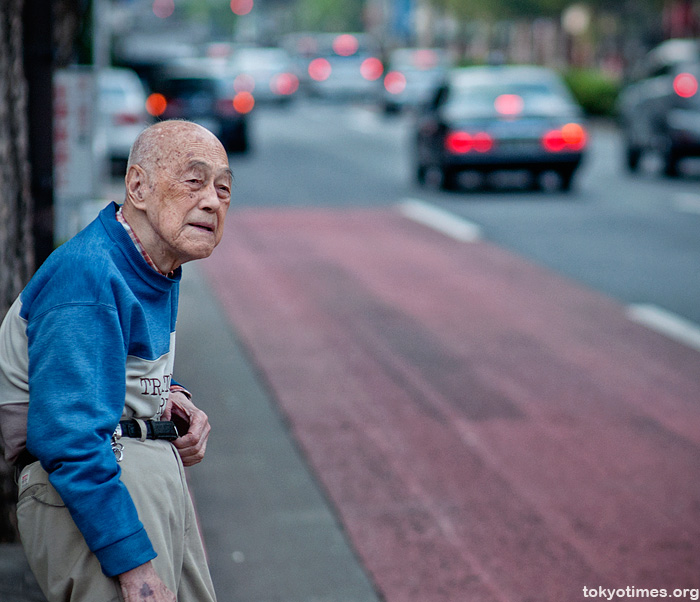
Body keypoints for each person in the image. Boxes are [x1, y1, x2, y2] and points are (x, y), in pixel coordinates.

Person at [0, 120, 233, 601]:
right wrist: (134, 569)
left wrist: (171, 398)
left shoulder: (153, 262)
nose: (212, 200)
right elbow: (69, 438)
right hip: (98, 489)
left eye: (224, 187)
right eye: (194, 180)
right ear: (138, 186)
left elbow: (107, 368)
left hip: (137, 476)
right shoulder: (89, 276)